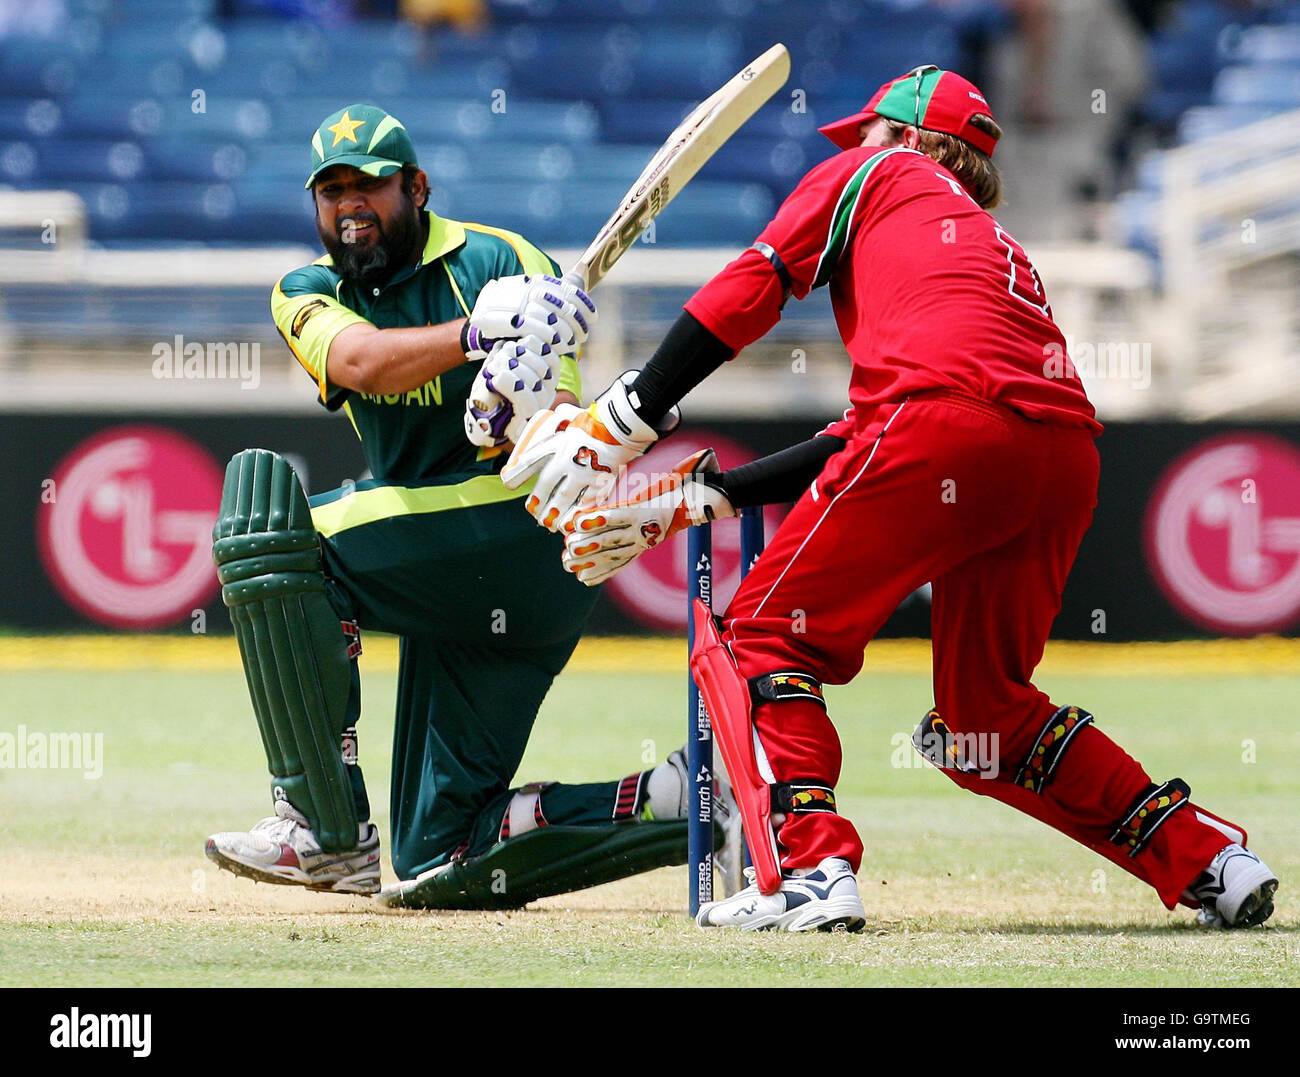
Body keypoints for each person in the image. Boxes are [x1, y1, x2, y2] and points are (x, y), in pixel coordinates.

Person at [500, 67, 1279, 932]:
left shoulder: (880, 173)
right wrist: (690, 502)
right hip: (1059, 457)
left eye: (864, 132)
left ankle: (809, 868)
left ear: (905, 137)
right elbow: (865, 436)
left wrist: (624, 416)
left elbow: (758, 280)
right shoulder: (982, 245)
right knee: (986, 717)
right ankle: (1210, 856)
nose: (850, 148)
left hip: (945, 430)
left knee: (760, 635)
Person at [204, 103, 732, 910]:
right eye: (332, 190)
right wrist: (475, 340)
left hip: (522, 529)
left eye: (371, 186)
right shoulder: (305, 290)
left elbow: (563, 437)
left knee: (275, 529)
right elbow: (359, 360)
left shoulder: (500, 258)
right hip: (456, 576)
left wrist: (520, 402)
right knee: (440, 854)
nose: (350, 206)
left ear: (417, 187)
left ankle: (320, 827)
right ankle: (681, 803)